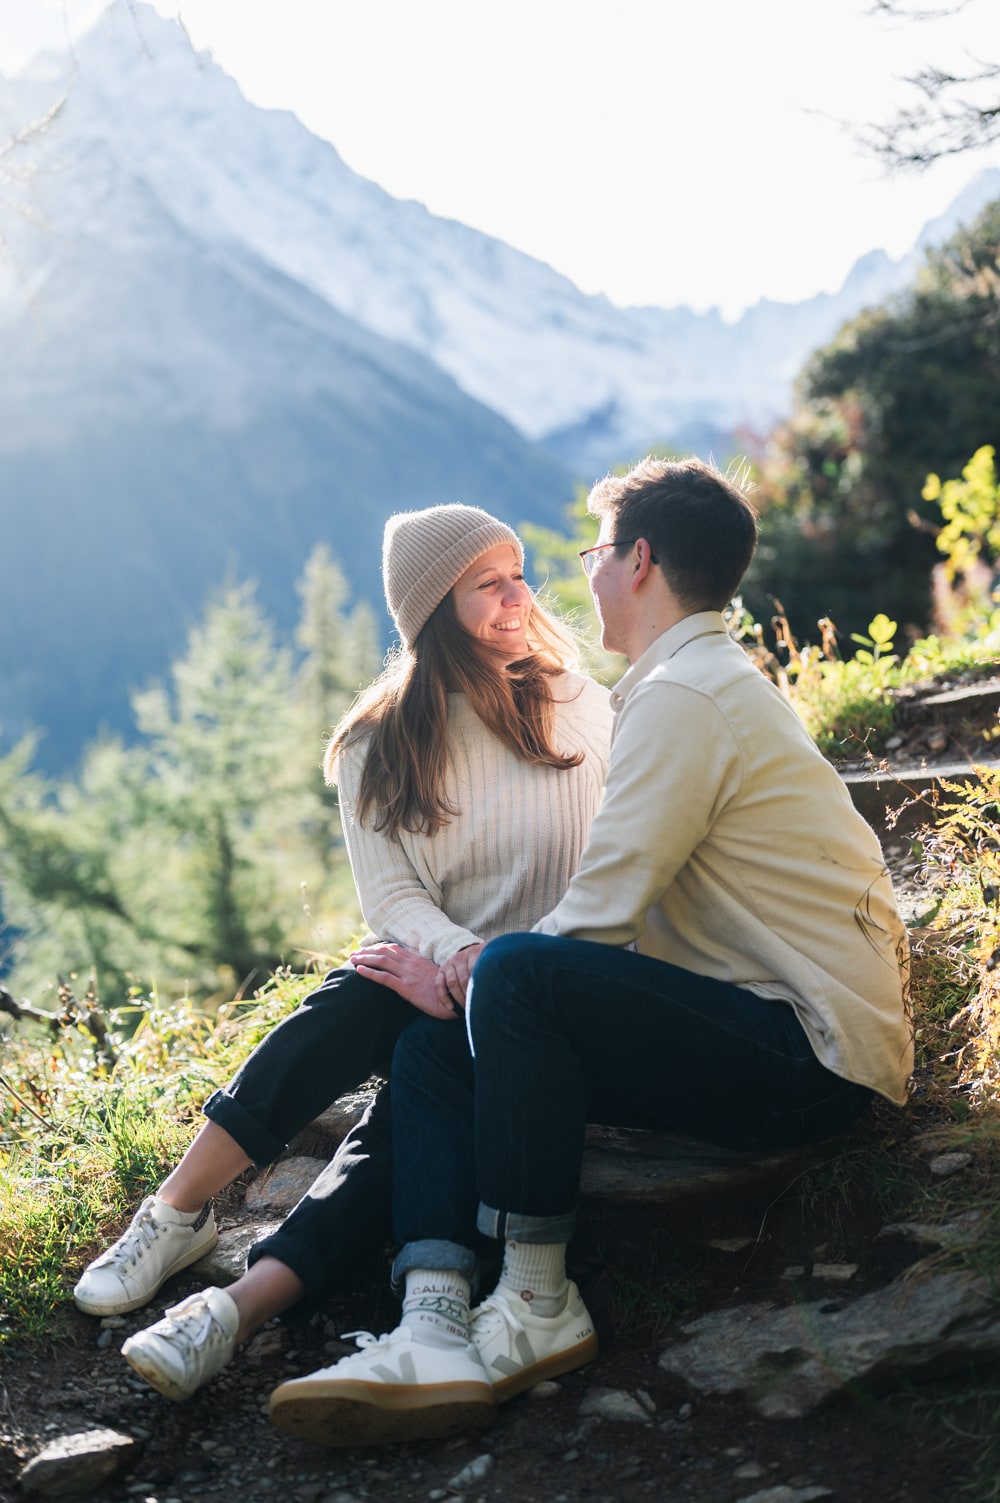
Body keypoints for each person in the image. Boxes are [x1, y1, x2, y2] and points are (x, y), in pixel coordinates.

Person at [267, 456, 914, 1448]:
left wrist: (466, 977)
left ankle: (533, 1298)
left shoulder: (683, 698)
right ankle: (433, 1316)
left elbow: (596, 918)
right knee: (436, 1049)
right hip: (768, 1025)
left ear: (639, 560)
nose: (583, 575)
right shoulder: (684, 683)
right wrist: (466, 1000)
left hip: (810, 1054)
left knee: (514, 976)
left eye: (596, 552)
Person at [72, 502, 612, 1405]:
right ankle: (177, 1214)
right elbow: (392, 896)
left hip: (551, 983)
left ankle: (236, 1306)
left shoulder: (573, 698)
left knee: (411, 1083)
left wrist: (492, 980)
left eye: (519, 573)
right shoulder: (379, 741)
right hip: (456, 971)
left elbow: (617, 857)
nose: (520, 596)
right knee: (363, 990)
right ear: (435, 606)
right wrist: (457, 959)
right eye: (490, 582)